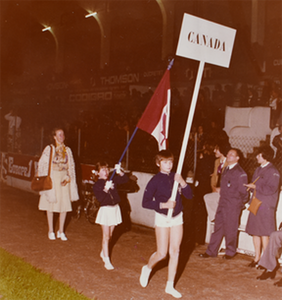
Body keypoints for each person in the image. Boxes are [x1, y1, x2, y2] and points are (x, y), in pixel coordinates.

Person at [139, 150, 193, 299]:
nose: (168, 165)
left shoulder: (176, 177)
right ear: (158, 163)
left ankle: (170, 285)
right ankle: (147, 267)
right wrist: (164, 205)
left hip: (177, 217)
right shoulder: (155, 180)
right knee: (162, 253)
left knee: (175, 252)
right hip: (163, 217)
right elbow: (145, 202)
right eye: (165, 162)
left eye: (170, 162)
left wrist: (182, 182)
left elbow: (189, 195)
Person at [199, 148, 248, 259]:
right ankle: (211, 251)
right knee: (218, 228)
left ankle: (230, 252)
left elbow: (244, 193)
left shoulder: (241, 173)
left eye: (232, 154)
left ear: (237, 158)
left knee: (231, 229)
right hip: (222, 203)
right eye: (228, 153)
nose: (229, 155)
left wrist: (237, 204)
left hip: (232, 205)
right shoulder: (226, 170)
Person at [38, 128, 79, 241]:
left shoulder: (68, 150)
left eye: (63, 134)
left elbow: (71, 167)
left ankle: (61, 231)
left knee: (65, 205)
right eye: (59, 135)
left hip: (63, 178)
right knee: (50, 205)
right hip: (53, 178)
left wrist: (68, 177)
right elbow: (42, 165)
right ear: (54, 137)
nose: (62, 136)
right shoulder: (49, 149)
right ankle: (51, 230)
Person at [245, 146, 280, 267]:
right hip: (256, 204)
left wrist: (256, 187)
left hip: (265, 206)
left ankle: (266, 261)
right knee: (255, 232)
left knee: (265, 233)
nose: (256, 157)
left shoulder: (273, 171)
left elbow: (272, 189)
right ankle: (257, 258)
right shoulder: (258, 169)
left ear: (265, 156)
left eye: (259, 155)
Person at [93, 162, 128, 270]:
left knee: (110, 235)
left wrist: (120, 172)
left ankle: (103, 252)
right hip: (106, 210)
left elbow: (125, 180)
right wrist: (105, 189)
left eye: (107, 169)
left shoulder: (112, 179)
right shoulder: (97, 185)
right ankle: (106, 260)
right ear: (98, 173)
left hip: (115, 209)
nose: (106, 172)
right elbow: (101, 199)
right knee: (106, 236)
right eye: (103, 170)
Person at [203, 142, 230, 223]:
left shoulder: (229, 163)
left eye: (217, 149)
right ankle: (216, 219)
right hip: (215, 190)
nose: (214, 151)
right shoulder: (217, 162)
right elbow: (215, 176)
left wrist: (221, 189)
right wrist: (213, 187)